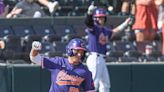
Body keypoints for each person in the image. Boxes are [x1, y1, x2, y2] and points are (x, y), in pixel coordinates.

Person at [85, 3, 132, 92]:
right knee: (94, 83)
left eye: (101, 17)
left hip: (101, 59)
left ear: (104, 19)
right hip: (94, 57)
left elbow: (114, 31)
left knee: (106, 84)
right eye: (97, 17)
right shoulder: (94, 28)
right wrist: (89, 13)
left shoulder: (105, 30)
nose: (99, 19)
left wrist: (125, 24)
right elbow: (88, 22)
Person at [29, 38, 95, 92]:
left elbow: (90, 90)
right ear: (70, 50)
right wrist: (34, 49)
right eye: (77, 51)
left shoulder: (85, 71)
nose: (79, 54)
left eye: (82, 52)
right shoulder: (58, 62)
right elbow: (35, 59)